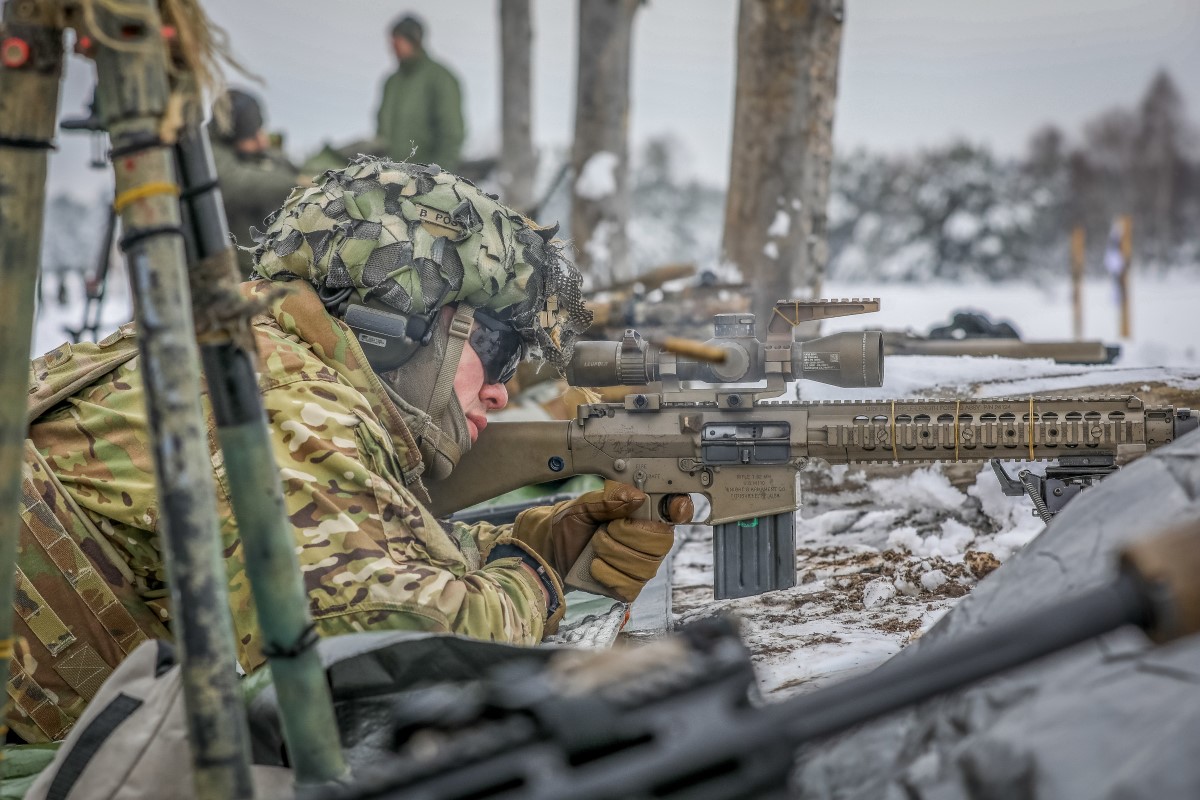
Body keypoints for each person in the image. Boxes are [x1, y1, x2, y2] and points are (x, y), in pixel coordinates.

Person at [7, 158, 683, 744]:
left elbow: (345, 557)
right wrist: (532, 578)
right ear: (399, 326)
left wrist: (522, 546)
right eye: (496, 352)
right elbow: (398, 642)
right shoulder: (284, 404)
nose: (502, 393)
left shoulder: (243, 350)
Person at [210, 88, 307, 272]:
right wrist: (297, 182)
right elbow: (239, 184)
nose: (261, 141)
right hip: (240, 273)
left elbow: (287, 167)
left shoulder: (255, 154)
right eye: (250, 135)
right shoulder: (210, 157)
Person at [376, 14, 465, 170]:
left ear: (413, 41)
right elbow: (382, 130)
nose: (393, 46)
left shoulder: (440, 78)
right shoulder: (392, 82)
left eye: (398, 40)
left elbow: (451, 132)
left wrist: (437, 173)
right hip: (392, 176)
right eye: (392, 41)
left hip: (427, 178)